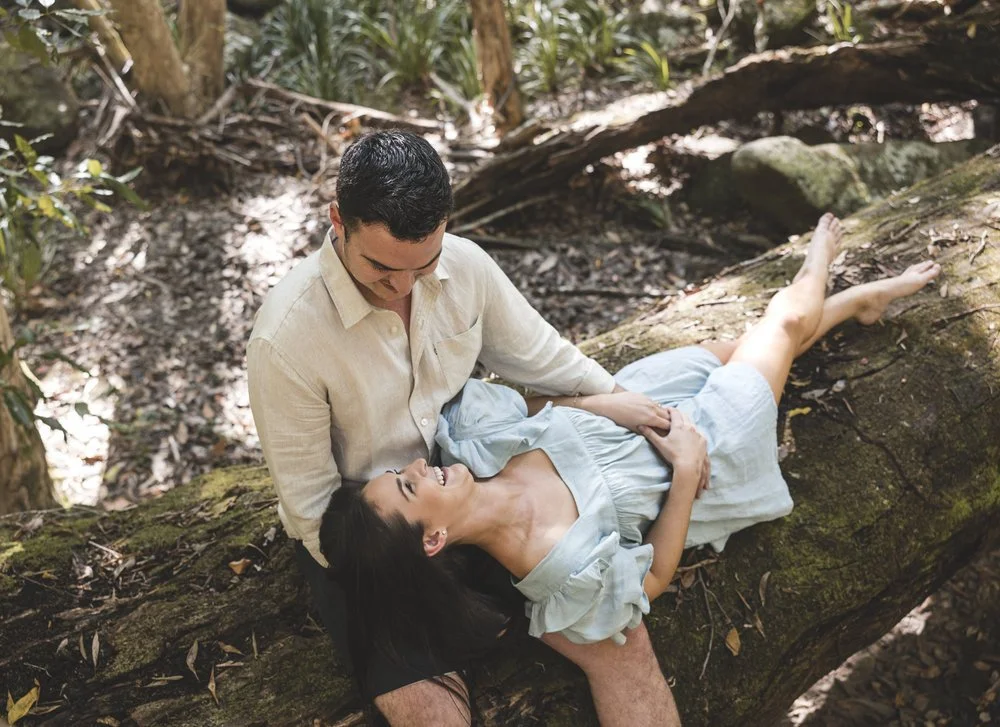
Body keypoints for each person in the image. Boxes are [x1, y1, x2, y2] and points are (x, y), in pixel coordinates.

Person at [320, 214, 942, 718]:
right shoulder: (560, 574)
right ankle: (826, 268)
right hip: (701, 444)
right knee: (778, 324)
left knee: (747, 346)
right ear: (433, 539)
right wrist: (687, 472)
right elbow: (651, 581)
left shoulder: (470, 446)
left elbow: (537, 400)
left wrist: (601, 401)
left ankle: (846, 309)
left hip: (635, 403)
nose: (418, 467)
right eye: (407, 484)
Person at [247, 130, 678, 726]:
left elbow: (545, 360)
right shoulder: (285, 340)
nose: (402, 287)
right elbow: (310, 509)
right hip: (379, 537)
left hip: (477, 486)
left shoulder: (466, 267)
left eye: (423, 266)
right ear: (337, 221)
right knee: (434, 716)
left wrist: (623, 404)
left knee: (623, 649)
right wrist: (414, 581)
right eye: (380, 266)